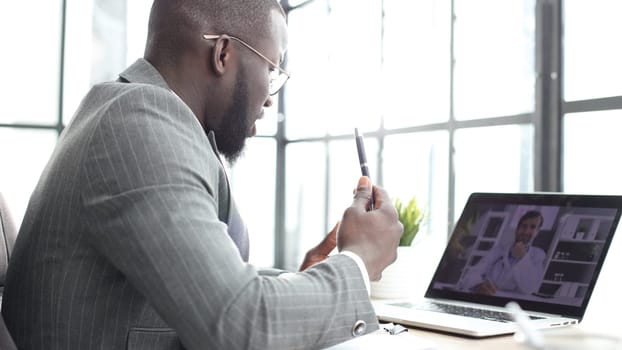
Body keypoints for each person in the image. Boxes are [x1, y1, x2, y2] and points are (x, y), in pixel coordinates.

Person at [1, 1, 403, 349]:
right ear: (224, 53)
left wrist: (305, 288)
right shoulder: (140, 123)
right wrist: (359, 261)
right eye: (272, 69)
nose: (268, 96)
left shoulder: (147, 118)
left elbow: (214, 298)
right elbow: (241, 328)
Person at [460, 210, 546, 296]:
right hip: (487, 297)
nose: (526, 231)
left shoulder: (538, 255)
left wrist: (523, 257)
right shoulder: (498, 250)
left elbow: (530, 288)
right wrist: (478, 285)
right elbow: (473, 272)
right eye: (524, 226)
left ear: (537, 232)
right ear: (517, 229)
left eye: (533, 227)